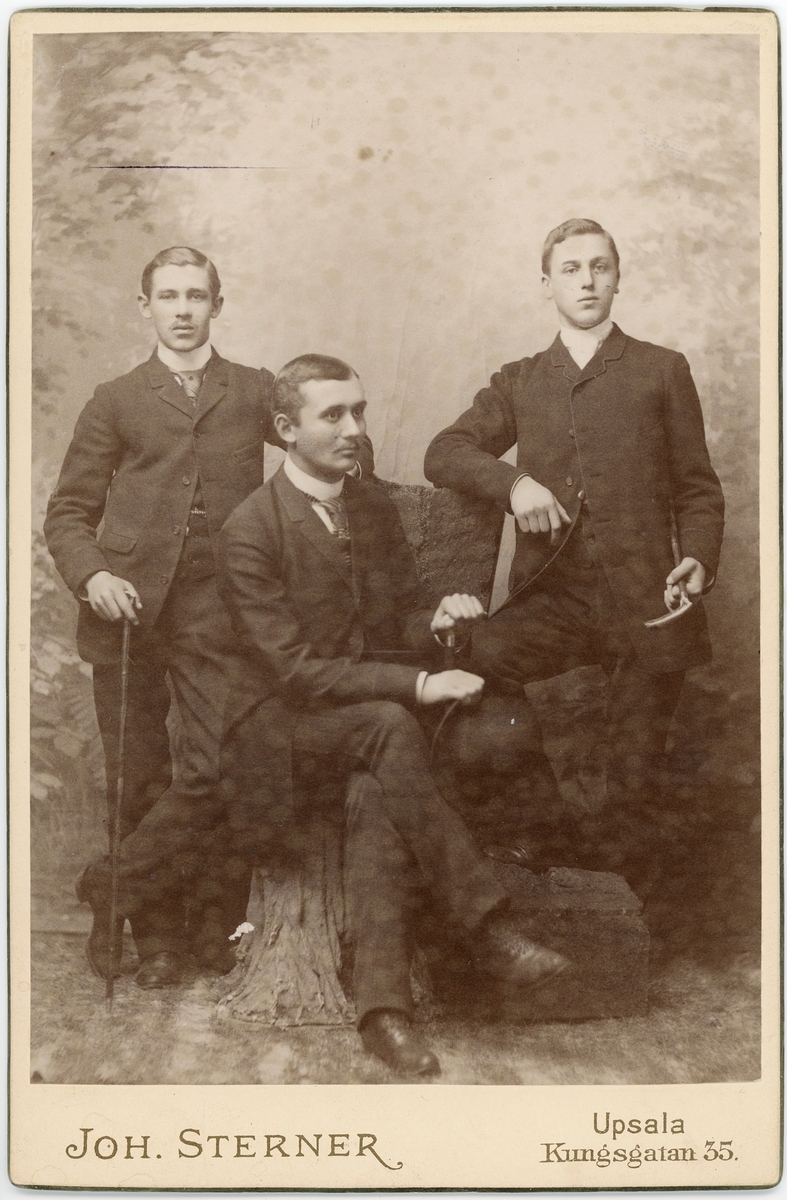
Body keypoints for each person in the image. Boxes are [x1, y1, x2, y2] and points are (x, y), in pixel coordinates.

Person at [216, 353, 569, 1077]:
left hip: (364, 730)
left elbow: (398, 615)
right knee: (388, 724)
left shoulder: (369, 506)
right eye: (333, 415)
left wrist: (436, 624)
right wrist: (420, 685)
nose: (354, 429)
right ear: (286, 428)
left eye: (359, 411)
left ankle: (383, 1015)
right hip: (277, 736)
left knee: (378, 786)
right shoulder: (249, 528)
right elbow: (293, 673)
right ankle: (488, 927)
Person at [44, 248, 374, 988]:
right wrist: (94, 574)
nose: (183, 310)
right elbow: (68, 511)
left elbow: (325, 433)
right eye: (168, 296)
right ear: (146, 307)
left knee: (220, 765)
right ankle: (157, 939)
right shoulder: (115, 399)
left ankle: (187, 917)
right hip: (127, 607)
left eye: (196, 296)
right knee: (138, 774)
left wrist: (347, 463)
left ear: (217, 305)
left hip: (222, 607)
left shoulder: (253, 388)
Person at [424, 219, 725, 882]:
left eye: (599, 267)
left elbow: (697, 489)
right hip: (554, 599)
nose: (586, 281)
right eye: (570, 269)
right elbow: (444, 452)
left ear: (617, 278)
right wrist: (514, 484)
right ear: (546, 285)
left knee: (632, 785)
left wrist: (698, 560)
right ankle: (541, 825)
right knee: (475, 663)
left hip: (647, 603)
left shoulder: (660, 370)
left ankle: (622, 890)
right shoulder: (520, 380)